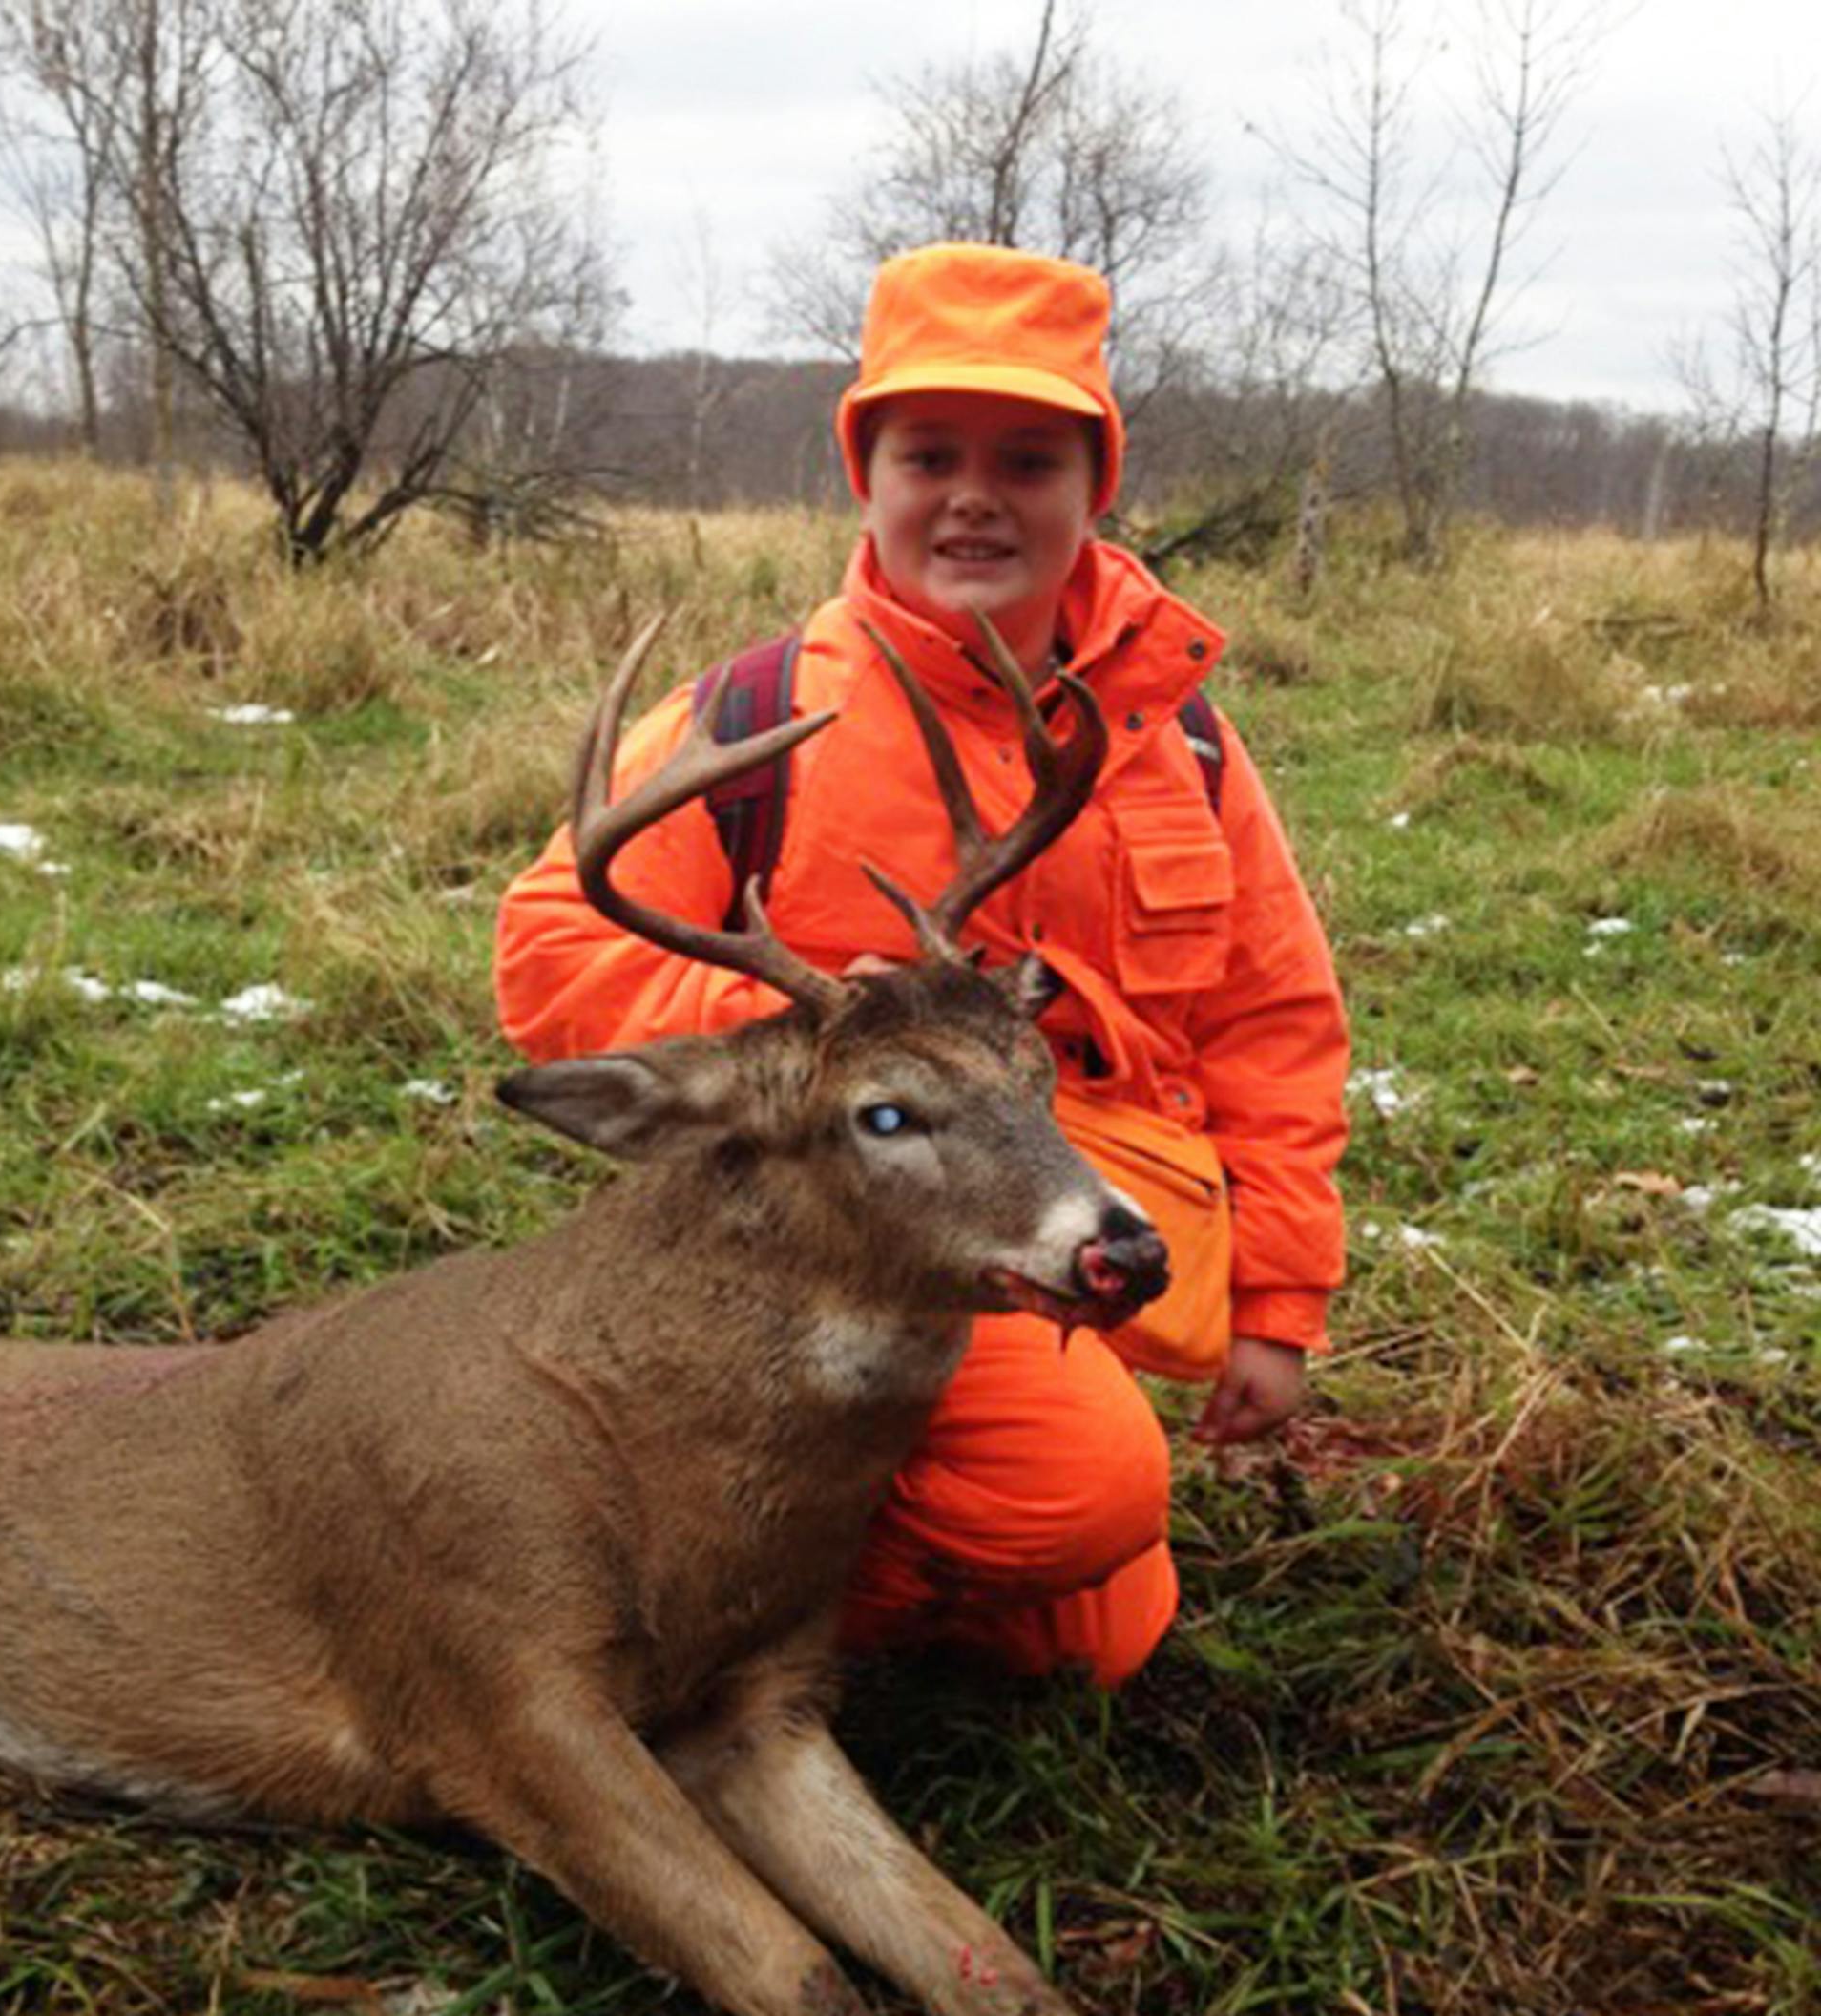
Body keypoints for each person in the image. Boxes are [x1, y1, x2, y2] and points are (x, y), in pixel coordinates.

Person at [493, 242, 1349, 1688]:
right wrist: (809, 1040)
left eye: (1027, 458)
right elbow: (551, 945)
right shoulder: (759, 715)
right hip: (847, 1237)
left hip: (1070, 1212)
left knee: (1097, 1633)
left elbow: (1273, 1021)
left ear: (1096, 488)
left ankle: (787, 1596)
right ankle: (636, 1661)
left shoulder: (1170, 732)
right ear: (865, 474)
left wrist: (1275, 1300)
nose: (973, 494)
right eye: (928, 451)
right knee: (1077, 1497)